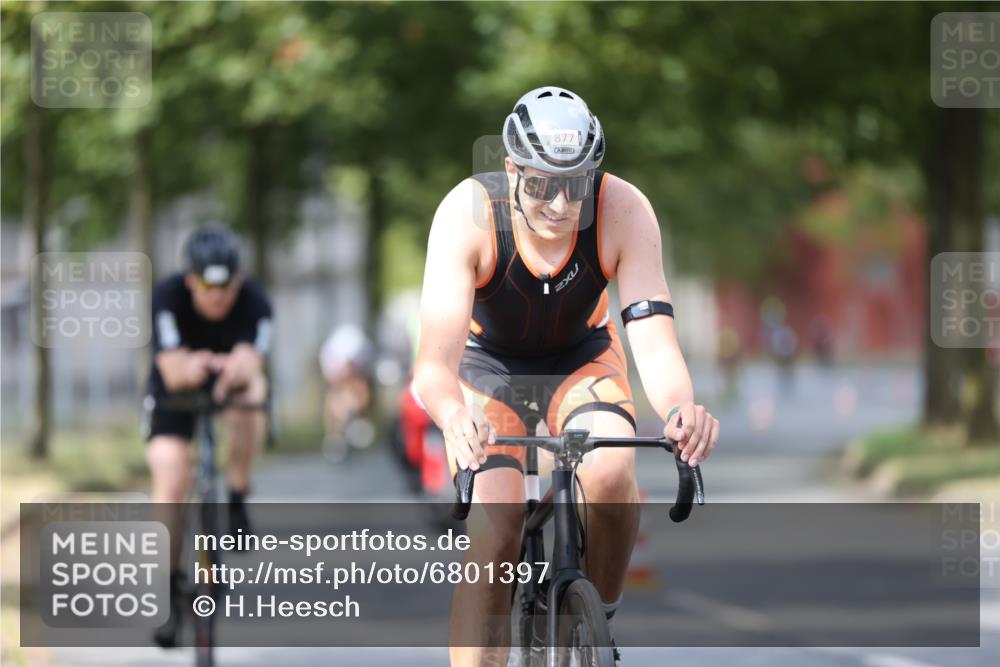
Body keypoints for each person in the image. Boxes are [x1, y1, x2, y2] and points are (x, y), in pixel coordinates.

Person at [413, 86, 720, 666]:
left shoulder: (623, 209)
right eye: (540, 184)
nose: (558, 203)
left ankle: (593, 618)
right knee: (496, 529)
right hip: (490, 370)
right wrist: (454, 416)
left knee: (610, 470)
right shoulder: (467, 214)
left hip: (582, 358)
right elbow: (433, 364)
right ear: (511, 170)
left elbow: (653, 343)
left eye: (574, 184)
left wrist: (681, 411)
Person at [144, 225, 272, 647]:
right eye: (206, 285)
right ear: (189, 280)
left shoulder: (256, 302)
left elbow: (253, 361)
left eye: (225, 286)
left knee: (253, 393)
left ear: (237, 280)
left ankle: (236, 497)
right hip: (174, 388)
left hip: (229, 382)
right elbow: (172, 368)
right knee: (171, 474)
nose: (216, 296)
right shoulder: (167, 298)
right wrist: (194, 365)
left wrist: (235, 369)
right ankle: (168, 587)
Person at [319, 322, 376, 462]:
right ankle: (333, 435)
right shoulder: (330, 354)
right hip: (333, 366)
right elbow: (332, 379)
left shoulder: (363, 351)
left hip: (357, 368)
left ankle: (360, 422)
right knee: (334, 395)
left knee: (360, 388)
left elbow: (364, 376)